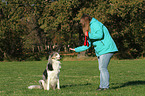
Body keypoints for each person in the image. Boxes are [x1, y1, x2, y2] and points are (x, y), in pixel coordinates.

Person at [70, 14, 118, 91]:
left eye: (83, 23)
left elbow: (100, 35)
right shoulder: (89, 30)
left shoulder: (96, 24)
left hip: (106, 48)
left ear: (86, 21)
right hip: (101, 50)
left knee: (103, 68)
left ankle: (105, 86)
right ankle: (102, 86)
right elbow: (87, 45)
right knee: (101, 68)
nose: (82, 25)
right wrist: (76, 49)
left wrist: (88, 34)